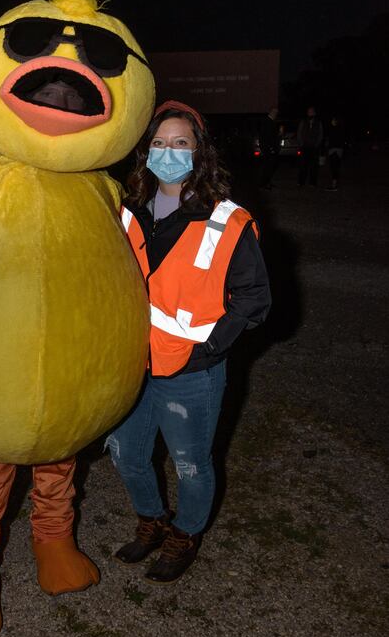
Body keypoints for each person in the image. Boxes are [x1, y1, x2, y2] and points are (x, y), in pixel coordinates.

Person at [107, 99, 271, 584]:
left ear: (200, 153)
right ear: (146, 152)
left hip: (193, 375)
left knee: (191, 464)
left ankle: (185, 533)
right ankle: (152, 520)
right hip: (133, 366)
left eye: (181, 143)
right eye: (159, 143)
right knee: (127, 454)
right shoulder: (126, 212)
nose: (168, 152)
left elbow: (254, 301)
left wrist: (208, 351)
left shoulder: (226, 220)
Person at [296, 106, 324, 187]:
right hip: (304, 147)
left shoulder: (318, 122)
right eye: (309, 112)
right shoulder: (303, 121)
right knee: (303, 165)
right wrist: (301, 144)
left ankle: (312, 182)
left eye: (311, 112)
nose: (310, 113)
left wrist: (316, 144)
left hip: (314, 147)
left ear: (314, 113)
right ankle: (301, 182)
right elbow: (299, 133)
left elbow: (320, 135)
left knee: (314, 166)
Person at [258, 106, 281, 189]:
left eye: (277, 113)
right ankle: (264, 184)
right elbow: (265, 137)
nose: (276, 114)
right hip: (268, 148)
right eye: (275, 112)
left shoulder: (272, 122)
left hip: (271, 148)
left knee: (271, 167)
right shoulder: (266, 122)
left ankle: (267, 182)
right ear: (271, 112)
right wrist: (269, 148)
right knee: (267, 167)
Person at [325, 115, 346, 190]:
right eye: (332, 120)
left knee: (335, 167)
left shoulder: (340, 128)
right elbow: (328, 139)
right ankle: (334, 183)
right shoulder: (330, 128)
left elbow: (341, 140)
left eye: (334, 120)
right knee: (333, 167)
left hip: (336, 150)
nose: (332, 121)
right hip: (331, 150)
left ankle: (334, 185)